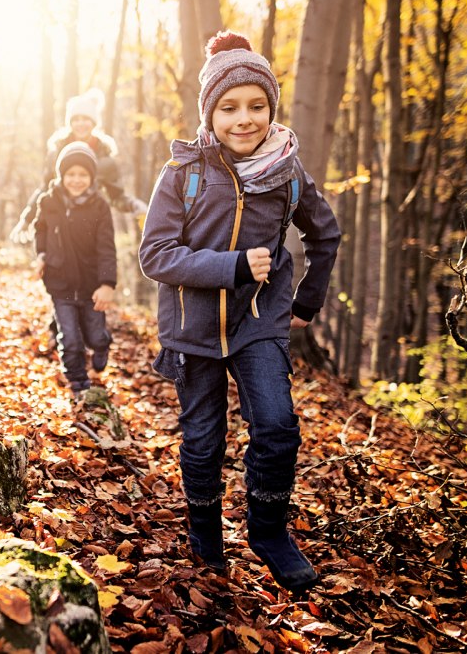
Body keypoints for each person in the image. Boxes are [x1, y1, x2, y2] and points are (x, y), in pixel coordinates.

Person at [138, 31, 341, 591]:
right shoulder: (183, 174)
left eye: (257, 106)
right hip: (192, 327)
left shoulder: (288, 172)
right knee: (203, 438)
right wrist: (229, 266)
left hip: (260, 323)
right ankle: (205, 533)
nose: (244, 119)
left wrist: (306, 302)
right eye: (229, 108)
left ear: (271, 110)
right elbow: (154, 255)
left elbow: (326, 235)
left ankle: (268, 531)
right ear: (210, 113)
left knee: (277, 425)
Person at [33, 141, 117, 401]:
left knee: (93, 334)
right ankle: (79, 383)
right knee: (69, 336)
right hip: (60, 282)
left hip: (92, 282)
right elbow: (41, 230)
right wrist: (42, 256)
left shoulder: (99, 206)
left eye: (83, 175)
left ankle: (102, 344)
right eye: (71, 174)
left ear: (91, 177)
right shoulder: (48, 201)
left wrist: (107, 283)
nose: (76, 180)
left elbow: (106, 247)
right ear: (61, 175)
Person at [11, 89, 146, 245]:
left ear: (94, 123)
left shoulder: (105, 159)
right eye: (76, 119)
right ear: (70, 123)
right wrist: (26, 219)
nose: (80, 124)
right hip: (58, 225)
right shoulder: (56, 153)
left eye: (86, 119)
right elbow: (44, 189)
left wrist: (133, 205)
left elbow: (116, 197)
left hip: (89, 227)